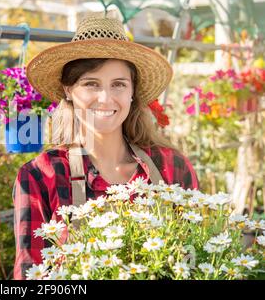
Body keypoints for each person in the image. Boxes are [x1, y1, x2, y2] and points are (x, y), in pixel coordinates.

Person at [12, 16, 199, 280]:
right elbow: (29, 277)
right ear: (68, 90)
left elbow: (197, 260)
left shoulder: (171, 167)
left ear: (132, 91)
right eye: (91, 84)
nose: (106, 98)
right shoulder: (42, 176)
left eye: (119, 84)